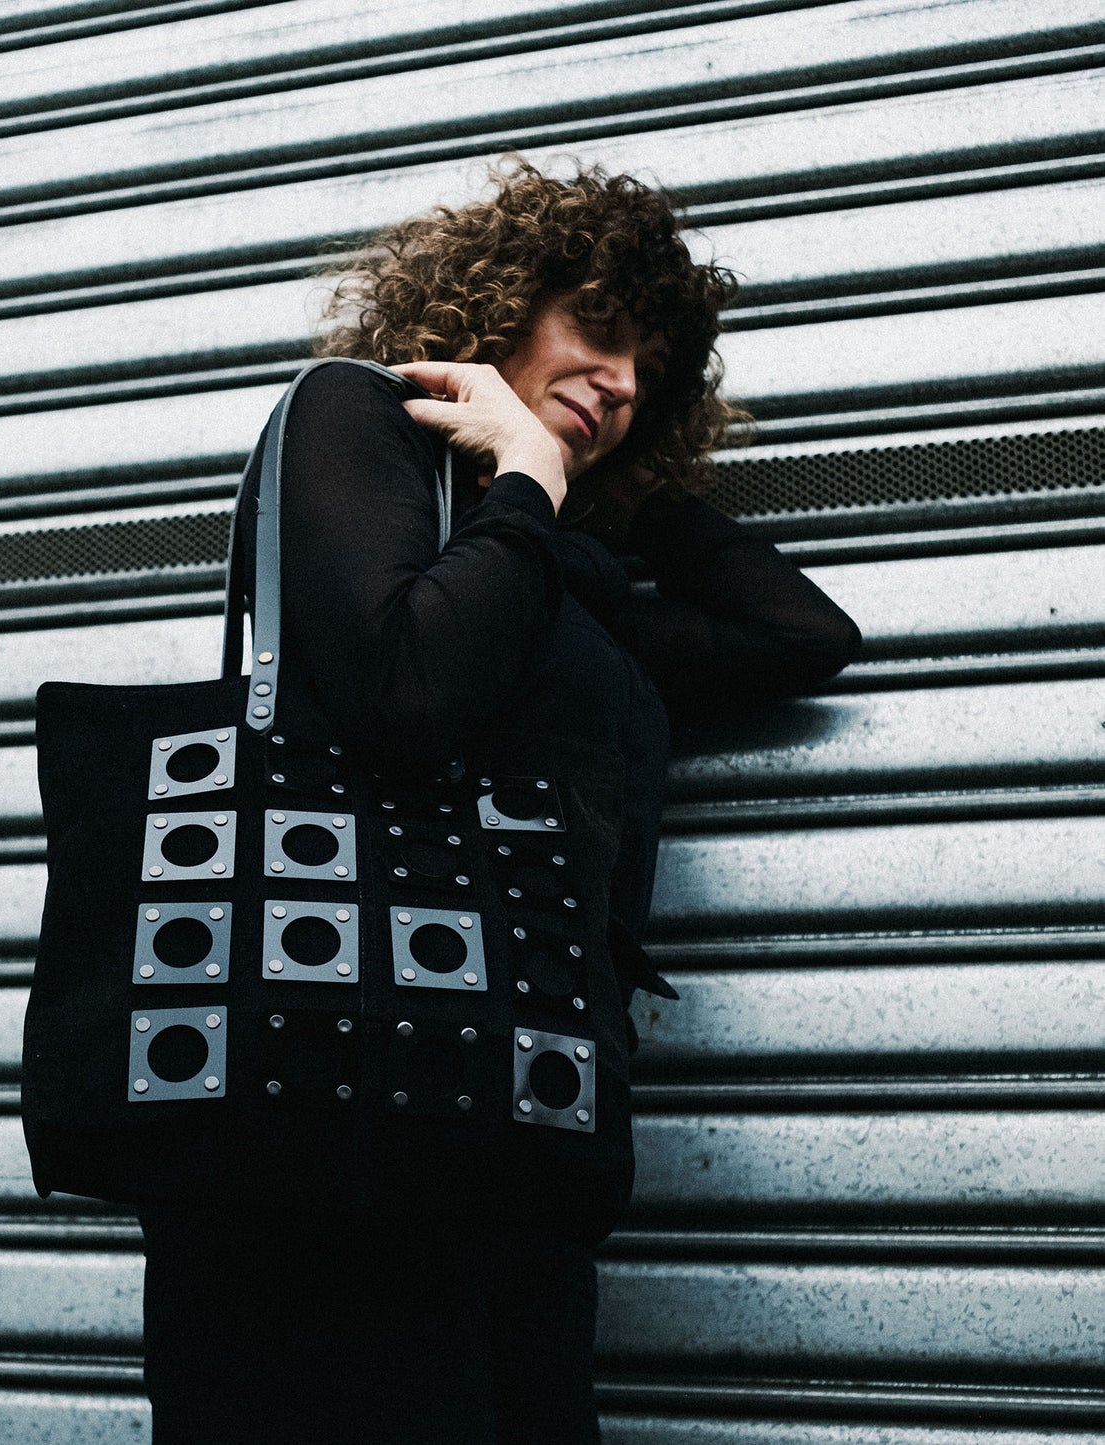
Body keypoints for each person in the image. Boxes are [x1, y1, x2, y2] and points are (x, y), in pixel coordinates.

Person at [137, 157, 861, 1445]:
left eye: (652, 371)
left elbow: (801, 635)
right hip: (331, 1143)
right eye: (598, 327)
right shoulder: (360, 421)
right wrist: (527, 469)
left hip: (523, 1141)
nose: (623, 380)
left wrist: (619, 481)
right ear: (500, 306)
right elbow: (402, 691)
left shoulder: (566, 580)